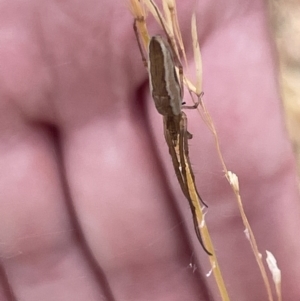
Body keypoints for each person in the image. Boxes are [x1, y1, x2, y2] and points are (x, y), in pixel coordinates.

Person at [0, 1, 299, 300]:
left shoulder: (171, 109)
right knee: (178, 150)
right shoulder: (173, 109)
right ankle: (195, 209)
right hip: (162, 64)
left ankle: (196, 209)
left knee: (178, 147)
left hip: (161, 64)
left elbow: (175, 102)